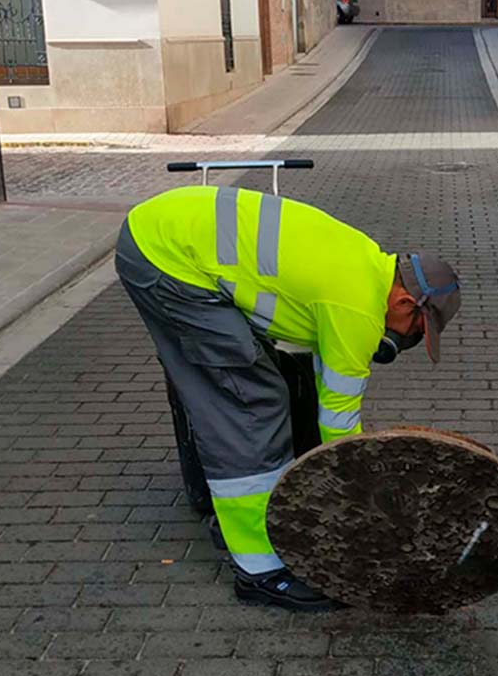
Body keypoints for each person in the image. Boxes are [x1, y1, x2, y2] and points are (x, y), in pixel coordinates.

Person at [115, 185, 461, 611]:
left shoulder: (365, 260)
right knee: (249, 405)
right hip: (167, 259)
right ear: (406, 301)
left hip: (164, 231)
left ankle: (233, 513)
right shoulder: (357, 311)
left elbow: (314, 365)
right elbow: (339, 427)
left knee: (265, 384)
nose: (400, 340)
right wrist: (361, 503)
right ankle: (259, 573)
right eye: (412, 331)